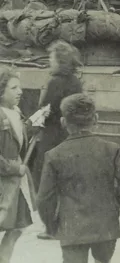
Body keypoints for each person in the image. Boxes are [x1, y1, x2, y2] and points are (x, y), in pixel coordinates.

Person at [37, 93, 120, 263]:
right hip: (105, 229)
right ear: (96, 119)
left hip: (72, 229)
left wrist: (51, 226)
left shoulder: (54, 155)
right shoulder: (111, 149)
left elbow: (43, 199)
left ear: (63, 122)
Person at [32, 40, 83, 240]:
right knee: (67, 184)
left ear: (60, 61)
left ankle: (51, 228)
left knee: (45, 183)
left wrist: (32, 125)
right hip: (69, 136)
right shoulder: (76, 81)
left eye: (51, 58)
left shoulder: (54, 82)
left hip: (51, 137)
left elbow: (44, 109)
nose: (49, 63)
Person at [0, 67, 48, 263]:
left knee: (17, 227)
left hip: (14, 182)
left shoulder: (15, 112)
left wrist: (35, 123)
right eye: (14, 88)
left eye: (20, 87)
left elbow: (19, 136)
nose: (20, 92)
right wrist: (13, 168)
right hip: (4, 181)